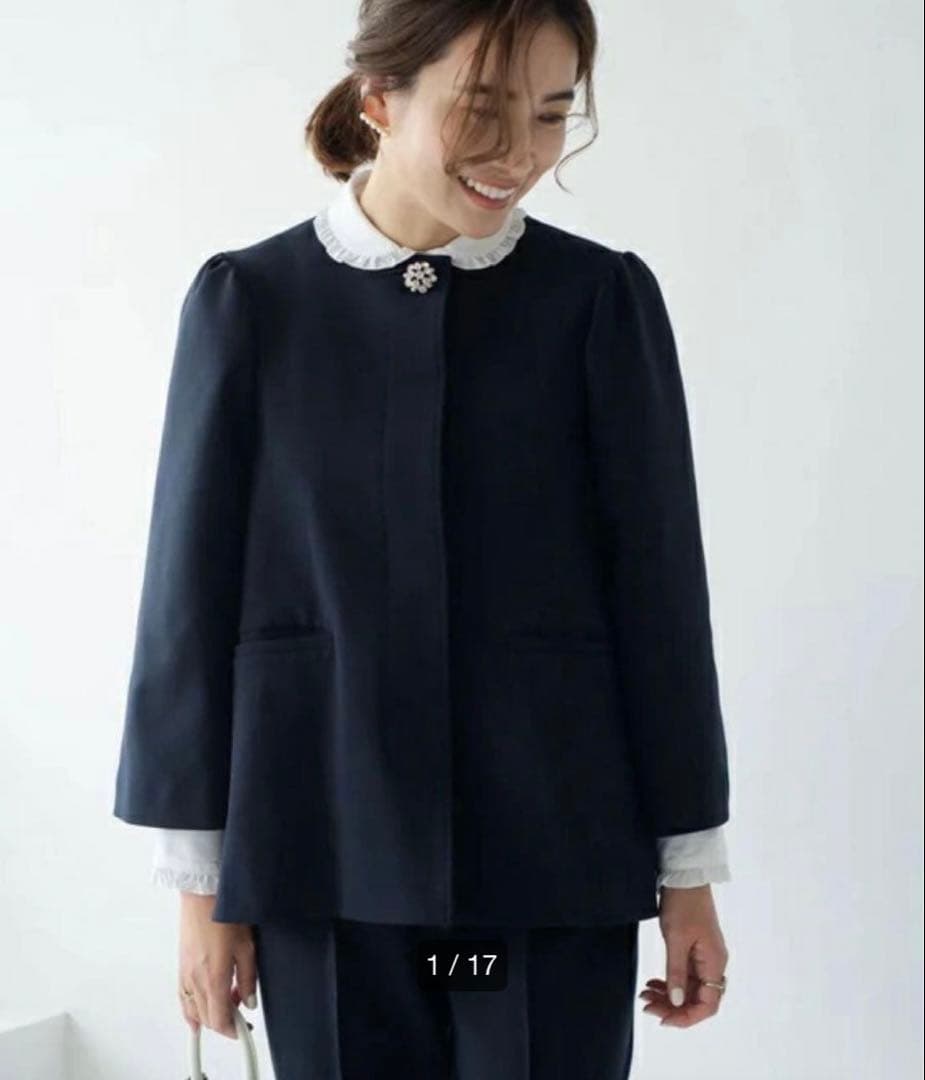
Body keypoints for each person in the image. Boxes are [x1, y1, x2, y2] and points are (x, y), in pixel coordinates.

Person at [112, 2, 733, 1076]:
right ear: (378, 98)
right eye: (481, 109)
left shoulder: (598, 301)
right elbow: (186, 603)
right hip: (319, 861)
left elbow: (661, 600)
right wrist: (200, 891)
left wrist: (689, 872)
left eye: (551, 114)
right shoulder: (251, 303)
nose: (520, 154)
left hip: (552, 861)